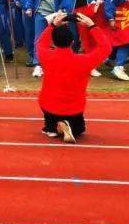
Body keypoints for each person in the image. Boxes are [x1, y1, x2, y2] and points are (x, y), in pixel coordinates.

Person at [36, 10, 110, 142]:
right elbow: (105, 48)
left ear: (53, 41)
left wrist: (52, 25)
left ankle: (52, 127)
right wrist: (92, 26)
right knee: (79, 131)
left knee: (50, 116)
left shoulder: (46, 56)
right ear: (72, 42)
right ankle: (61, 126)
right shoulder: (84, 61)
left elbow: (40, 43)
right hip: (74, 108)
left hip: (50, 105)